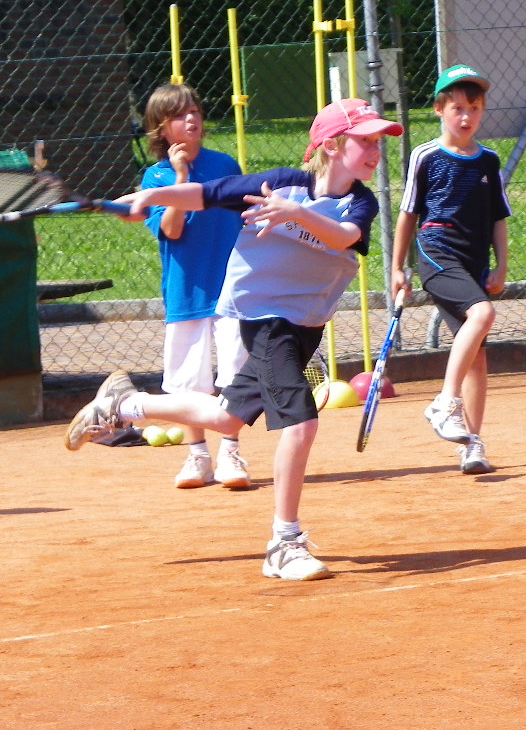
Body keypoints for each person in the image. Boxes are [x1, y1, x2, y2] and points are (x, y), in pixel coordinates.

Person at [65, 97, 403, 581]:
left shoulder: (358, 202)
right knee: (301, 424)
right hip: (263, 317)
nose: (375, 150)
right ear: (331, 145)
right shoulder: (280, 183)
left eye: (377, 142)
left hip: (305, 327)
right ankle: (284, 542)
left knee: (227, 416)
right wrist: (151, 196)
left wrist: (294, 214)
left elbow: (343, 236)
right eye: (365, 141)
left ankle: (123, 405)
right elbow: (207, 194)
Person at [392, 64, 510, 475]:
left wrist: (501, 265)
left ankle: (471, 444)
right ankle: (445, 401)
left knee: (477, 357)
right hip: (437, 253)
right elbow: (408, 214)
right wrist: (397, 268)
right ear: (439, 109)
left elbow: (498, 218)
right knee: (483, 313)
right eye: (457, 108)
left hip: (475, 261)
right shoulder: (425, 156)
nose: (466, 116)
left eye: (474, 108)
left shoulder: (488, 161)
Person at [139, 83, 250, 491]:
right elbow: (171, 229)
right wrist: (182, 177)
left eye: (195, 111)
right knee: (189, 381)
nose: (191, 119)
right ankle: (198, 456)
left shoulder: (225, 165)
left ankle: (230, 453)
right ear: (161, 128)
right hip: (187, 290)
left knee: (235, 372)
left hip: (232, 289)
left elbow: (247, 216)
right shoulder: (156, 176)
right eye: (179, 115)